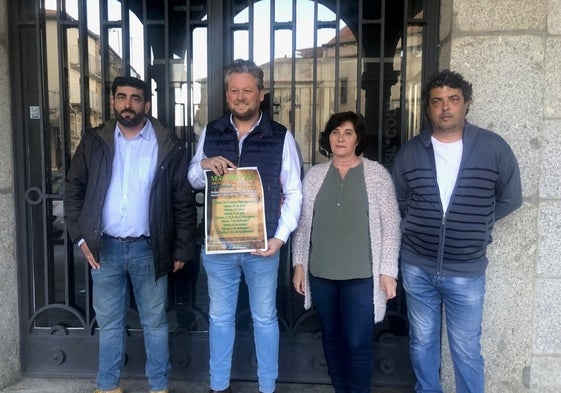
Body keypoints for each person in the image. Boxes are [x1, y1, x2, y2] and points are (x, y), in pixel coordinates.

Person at [391, 69, 523, 393]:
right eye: (437, 101)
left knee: (465, 349)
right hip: (418, 266)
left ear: (466, 104)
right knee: (422, 343)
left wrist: (478, 225)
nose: (445, 107)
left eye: (453, 99)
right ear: (428, 109)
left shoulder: (493, 148)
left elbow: (510, 198)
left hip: (466, 271)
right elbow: (400, 200)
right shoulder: (411, 151)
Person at [64, 76, 198, 393]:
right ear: (112, 101)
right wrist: (81, 238)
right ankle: (108, 386)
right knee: (109, 324)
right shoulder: (94, 141)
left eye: (135, 98)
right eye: (122, 97)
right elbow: (73, 191)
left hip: (149, 249)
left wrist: (181, 249)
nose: (128, 104)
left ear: (146, 105)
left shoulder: (166, 144)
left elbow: (183, 200)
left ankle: (159, 386)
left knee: (155, 323)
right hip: (104, 248)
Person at [187, 59, 302, 393]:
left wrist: (280, 239)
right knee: (220, 319)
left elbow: (294, 192)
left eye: (247, 91)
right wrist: (204, 164)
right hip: (219, 246)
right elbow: (193, 178)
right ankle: (219, 387)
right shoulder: (211, 130)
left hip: (262, 247)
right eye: (234, 91)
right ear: (227, 96)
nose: (240, 97)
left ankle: (267, 387)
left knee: (264, 319)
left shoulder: (281, 136)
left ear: (261, 95)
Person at [292, 111, 401, 393]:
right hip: (322, 274)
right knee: (331, 338)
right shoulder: (315, 176)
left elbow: (391, 225)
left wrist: (388, 271)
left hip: (362, 276)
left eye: (348, 132)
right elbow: (303, 225)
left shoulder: (377, 175)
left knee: (356, 343)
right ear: (328, 137)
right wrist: (299, 265)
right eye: (336, 131)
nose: (341, 138)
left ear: (358, 139)